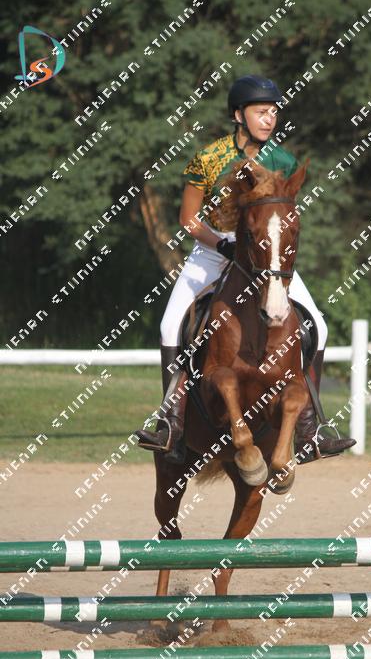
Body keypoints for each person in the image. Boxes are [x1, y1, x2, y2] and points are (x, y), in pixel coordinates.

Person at [135, 74, 356, 463]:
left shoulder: (283, 161)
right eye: (261, 112)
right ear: (239, 115)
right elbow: (188, 220)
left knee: (318, 327)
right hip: (213, 251)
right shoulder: (209, 158)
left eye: (273, 112)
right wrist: (222, 243)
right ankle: (172, 423)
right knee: (170, 325)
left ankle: (310, 429)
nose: (269, 119)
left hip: (266, 258)